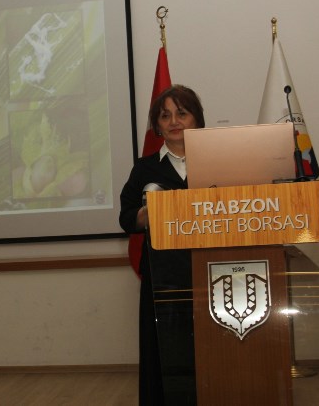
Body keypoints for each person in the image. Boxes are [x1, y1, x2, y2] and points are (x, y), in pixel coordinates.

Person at [119, 84, 205, 405]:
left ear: (197, 119)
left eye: (182, 113)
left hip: (210, 270)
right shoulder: (145, 168)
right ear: (157, 125)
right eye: (165, 116)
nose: (174, 121)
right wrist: (147, 213)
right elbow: (126, 218)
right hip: (163, 276)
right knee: (162, 352)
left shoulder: (219, 161)